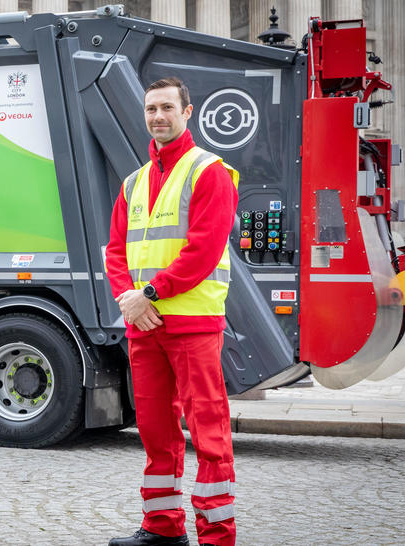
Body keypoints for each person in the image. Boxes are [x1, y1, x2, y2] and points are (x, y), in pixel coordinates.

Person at [105, 77, 239, 546]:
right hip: (145, 326)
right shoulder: (134, 182)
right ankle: (162, 529)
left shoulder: (210, 172)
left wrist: (150, 294)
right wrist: (130, 300)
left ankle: (217, 537)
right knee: (156, 432)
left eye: (166, 107)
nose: (158, 116)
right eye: (150, 109)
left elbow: (203, 251)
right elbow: (115, 252)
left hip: (191, 326)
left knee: (209, 433)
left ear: (187, 112)